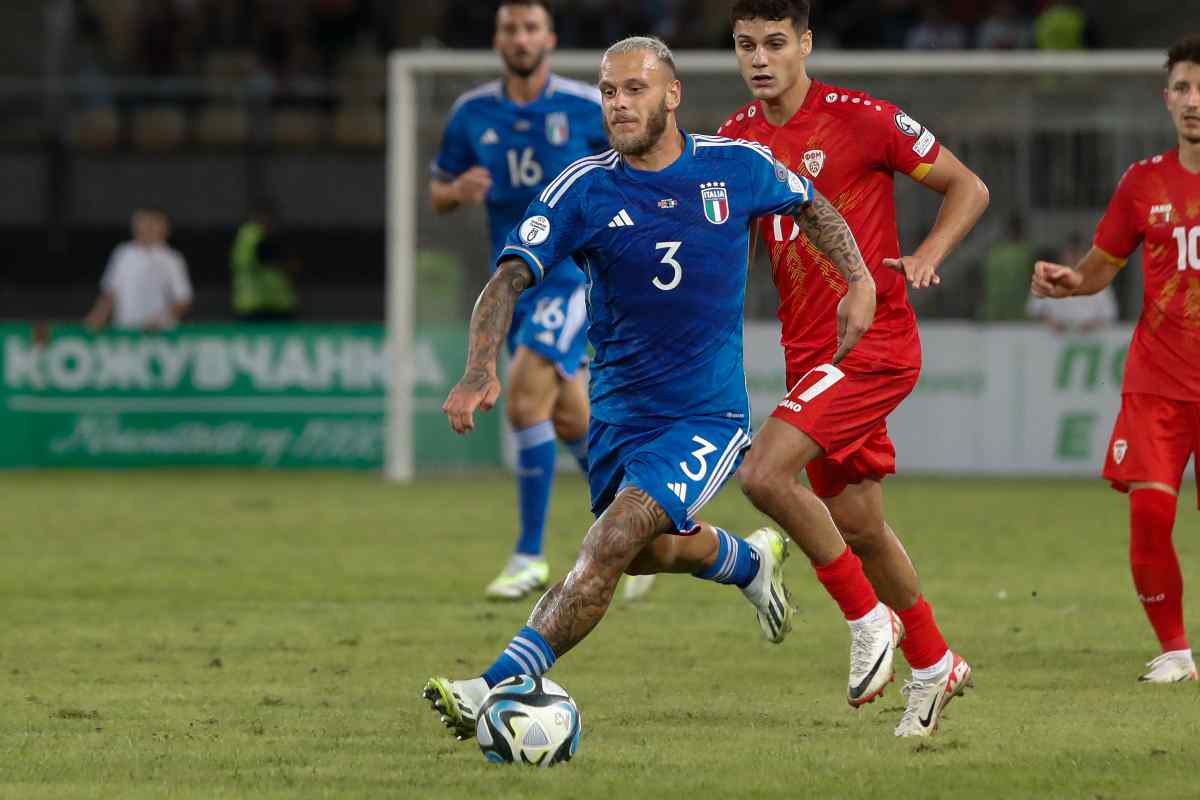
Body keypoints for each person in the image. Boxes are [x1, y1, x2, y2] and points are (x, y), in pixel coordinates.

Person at [423, 36, 885, 740]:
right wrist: (479, 366)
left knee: (611, 540)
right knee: (641, 549)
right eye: (609, 91)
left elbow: (812, 205)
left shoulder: (735, 167)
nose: (618, 103)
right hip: (618, 416)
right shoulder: (584, 188)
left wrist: (859, 279)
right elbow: (508, 277)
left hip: (705, 415)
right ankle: (748, 561)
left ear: (671, 95)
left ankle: (493, 685)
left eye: (634, 89)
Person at [721, 0, 990, 737]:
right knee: (860, 522)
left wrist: (928, 256)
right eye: (746, 45)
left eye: (776, 43)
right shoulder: (738, 141)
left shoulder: (863, 118)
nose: (760, 59)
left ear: (805, 43)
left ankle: (867, 619)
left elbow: (969, 186)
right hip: (810, 355)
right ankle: (936, 663)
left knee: (765, 474)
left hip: (877, 343)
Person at [1032, 35, 1200, 684]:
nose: (1193, 100)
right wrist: (1074, 283)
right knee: (1152, 514)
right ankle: (1177, 651)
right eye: (1183, 88)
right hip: (1158, 382)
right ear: (1167, 99)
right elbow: (1103, 265)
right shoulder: (1143, 182)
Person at [430, 0, 607, 601]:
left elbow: (634, 167)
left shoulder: (586, 107)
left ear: (549, 38)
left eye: (531, 27)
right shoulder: (472, 113)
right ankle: (640, 528)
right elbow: (436, 194)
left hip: (572, 276)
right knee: (570, 418)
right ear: (498, 38)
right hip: (510, 283)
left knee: (525, 400)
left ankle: (529, 556)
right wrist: (457, 190)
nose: (521, 37)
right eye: (510, 27)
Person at [85, 207, 192, 332]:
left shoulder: (172, 259)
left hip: (160, 333)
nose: (145, 228)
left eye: (151, 224)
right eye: (141, 223)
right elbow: (110, 293)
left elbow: (183, 299)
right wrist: (98, 316)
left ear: (164, 228)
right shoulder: (122, 253)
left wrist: (161, 320)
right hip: (125, 330)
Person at [1026, 233, 1118, 333]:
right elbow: (1034, 309)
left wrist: (1092, 325)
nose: (1075, 257)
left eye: (1079, 253)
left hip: (1089, 340)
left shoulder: (1100, 281)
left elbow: (1110, 313)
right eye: (1071, 252)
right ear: (1063, 254)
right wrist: (1050, 320)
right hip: (1053, 338)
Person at [231, 204, 300, 322]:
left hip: (280, 307)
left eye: (270, 218)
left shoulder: (279, 235)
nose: (268, 222)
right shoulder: (249, 236)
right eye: (263, 218)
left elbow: (293, 265)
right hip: (253, 308)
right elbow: (261, 257)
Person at [982, 214, 1036, 321]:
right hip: (1019, 313)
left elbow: (984, 284)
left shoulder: (994, 253)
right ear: (1022, 231)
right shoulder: (1027, 253)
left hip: (994, 312)